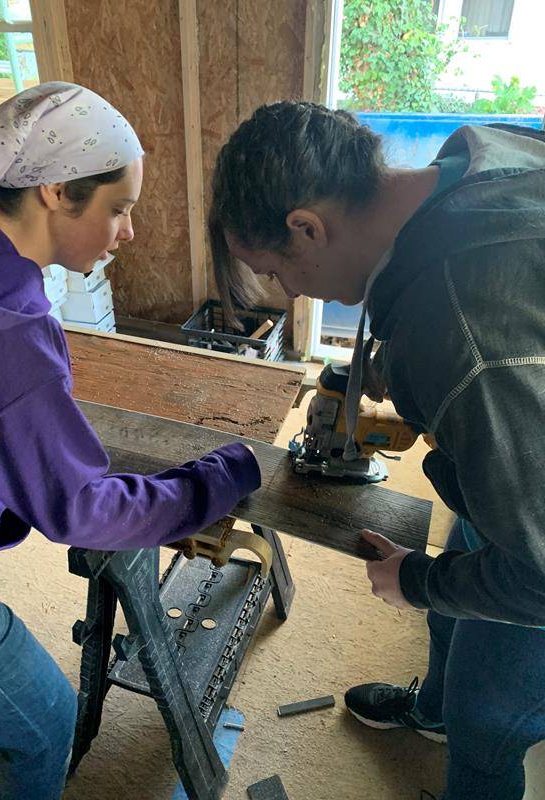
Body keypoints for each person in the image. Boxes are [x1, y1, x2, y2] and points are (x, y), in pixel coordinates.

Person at [208, 100, 545, 800]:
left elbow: (537, 577)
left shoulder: (467, 339)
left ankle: (467, 738)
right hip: (521, 462)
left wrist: (412, 581)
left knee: (490, 716)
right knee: (463, 581)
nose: (290, 290)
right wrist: (386, 370)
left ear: (307, 227)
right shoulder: (481, 153)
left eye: (276, 271)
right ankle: (432, 716)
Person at [0, 82, 261, 800]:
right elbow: (83, 510)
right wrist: (224, 474)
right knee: (48, 719)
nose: (128, 232)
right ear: (56, 191)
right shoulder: (2, 329)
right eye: (119, 210)